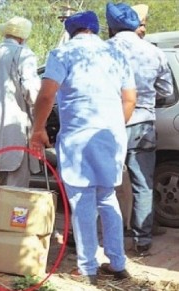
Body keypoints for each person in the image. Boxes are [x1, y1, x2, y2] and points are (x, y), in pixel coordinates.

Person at [30, 11, 136, 285]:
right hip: (109, 137)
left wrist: (38, 129)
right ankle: (117, 262)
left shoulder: (62, 54)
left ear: (70, 31)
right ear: (96, 29)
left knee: (82, 201)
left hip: (78, 137)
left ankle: (88, 267)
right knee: (107, 197)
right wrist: (113, 127)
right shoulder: (116, 55)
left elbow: (46, 94)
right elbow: (129, 99)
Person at [106, 2, 174, 257]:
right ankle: (142, 240)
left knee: (104, 184)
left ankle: (108, 239)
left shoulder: (104, 50)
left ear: (110, 27)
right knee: (142, 184)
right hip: (143, 123)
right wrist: (145, 101)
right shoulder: (154, 52)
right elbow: (167, 92)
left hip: (109, 124)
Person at [0, 16, 40, 188]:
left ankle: (3, 214)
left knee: (3, 178)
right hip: (15, 124)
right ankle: (12, 215)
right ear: (23, 36)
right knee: (17, 184)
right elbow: (32, 92)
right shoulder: (23, 53)